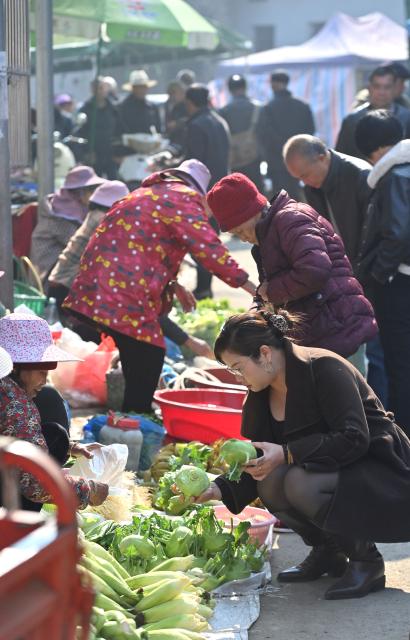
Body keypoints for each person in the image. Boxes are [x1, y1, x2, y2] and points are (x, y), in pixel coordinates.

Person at [194, 310, 410, 600]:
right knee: (270, 481)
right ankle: (328, 551)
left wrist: (287, 453)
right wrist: (216, 489)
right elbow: (260, 459)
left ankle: (366, 561)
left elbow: (354, 438)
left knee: (297, 481)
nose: (237, 377)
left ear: (264, 353)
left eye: (238, 367)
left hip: (379, 469)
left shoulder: (324, 368)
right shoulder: (261, 392)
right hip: (335, 472)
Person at [63, 159, 256, 414]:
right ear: (199, 190)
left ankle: (127, 422)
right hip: (122, 291)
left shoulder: (146, 194)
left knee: (138, 356)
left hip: (97, 287)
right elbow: (209, 248)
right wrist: (253, 287)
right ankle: (135, 421)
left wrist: (173, 284)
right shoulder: (183, 198)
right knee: (150, 353)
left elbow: (143, 247)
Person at [207, 172, 377, 357]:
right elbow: (271, 289)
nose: (243, 238)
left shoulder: (291, 219)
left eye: (240, 230)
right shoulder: (266, 237)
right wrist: (256, 310)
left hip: (339, 327)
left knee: (346, 385)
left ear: (254, 211)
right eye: (236, 234)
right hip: (319, 331)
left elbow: (314, 271)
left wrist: (271, 291)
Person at [283, 133, 387, 395]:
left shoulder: (361, 175)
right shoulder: (313, 186)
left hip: (371, 273)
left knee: (373, 347)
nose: (305, 182)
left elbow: (377, 233)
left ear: (322, 157)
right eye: (300, 178)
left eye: (306, 174)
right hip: (348, 275)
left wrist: (368, 273)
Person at [0, 313, 109, 511]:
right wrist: (88, 490)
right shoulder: (14, 403)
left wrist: (71, 447)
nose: (44, 380)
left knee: (54, 433)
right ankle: (19, 529)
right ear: (16, 367)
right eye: (42, 372)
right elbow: (34, 482)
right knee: (52, 408)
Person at [355, 110, 410, 438]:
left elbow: (397, 234)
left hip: (400, 283)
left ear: (373, 150)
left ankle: (403, 439)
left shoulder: (394, 176)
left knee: (400, 363)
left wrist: (377, 275)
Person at [184, 84, 231, 299]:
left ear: (190, 103)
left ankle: (204, 288)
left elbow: (194, 163)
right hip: (220, 189)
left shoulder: (196, 125)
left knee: (200, 241)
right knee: (210, 239)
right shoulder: (219, 121)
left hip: (202, 191)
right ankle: (204, 287)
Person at [30, 165, 104, 288]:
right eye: (92, 190)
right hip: (48, 277)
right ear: (80, 192)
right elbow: (82, 246)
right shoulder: (61, 214)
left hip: (60, 271)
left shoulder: (77, 208)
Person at [255, 70, 315, 199]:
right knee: (305, 196)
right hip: (303, 158)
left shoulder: (267, 108)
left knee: (282, 200)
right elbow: (311, 130)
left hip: (278, 162)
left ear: (272, 85)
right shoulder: (303, 106)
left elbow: (263, 136)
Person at [336, 65, 410, 159]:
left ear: (395, 89)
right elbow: (342, 156)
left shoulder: (407, 118)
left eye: (387, 87)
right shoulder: (352, 120)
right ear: (369, 88)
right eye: (377, 86)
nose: (381, 92)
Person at [219, 74, 263, 191]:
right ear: (245, 87)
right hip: (254, 155)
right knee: (257, 188)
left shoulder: (224, 111)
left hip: (235, 157)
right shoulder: (258, 107)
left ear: (230, 89)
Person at [77, 77, 120, 179]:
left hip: (111, 153)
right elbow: (81, 132)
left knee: (114, 181)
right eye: (96, 88)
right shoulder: (85, 109)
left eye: (102, 88)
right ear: (92, 90)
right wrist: (86, 153)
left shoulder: (113, 108)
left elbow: (119, 129)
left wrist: (119, 152)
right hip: (94, 154)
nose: (99, 91)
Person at [117, 69, 161, 135]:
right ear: (133, 88)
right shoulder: (123, 107)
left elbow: (158, 130)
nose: (141, 90)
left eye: (143, 87)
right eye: (138, 87)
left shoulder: (152, 108)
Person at [165, 81, 188, 148]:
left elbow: (191, 119)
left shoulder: (188, 105)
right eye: (170, 93)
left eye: (174, 93)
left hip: (184, 141)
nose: (172, 96)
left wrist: (177, 123)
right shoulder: (168, 105)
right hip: (172, 141)